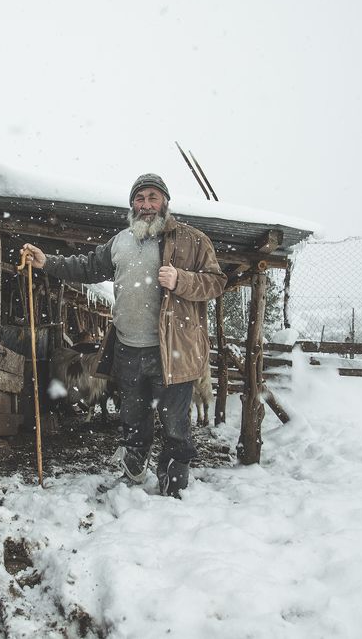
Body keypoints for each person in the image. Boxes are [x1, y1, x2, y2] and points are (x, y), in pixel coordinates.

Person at [21, 173, 226, 497]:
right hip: (129, 350)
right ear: (132, 204)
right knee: (132, 417)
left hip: (172, 351)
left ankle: (174, 484)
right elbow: (86, 267)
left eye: (152, 198)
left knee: (174, 422)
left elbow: (216, 283)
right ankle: (134, 470)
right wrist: (47, 262)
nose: (146, 205)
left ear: (165, 203)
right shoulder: (120, 242)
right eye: (140, 198)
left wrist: (182, 280)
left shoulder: (192, 240)